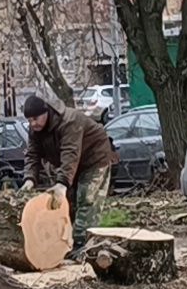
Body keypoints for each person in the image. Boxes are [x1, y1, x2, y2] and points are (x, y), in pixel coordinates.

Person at [21, 93, 118, 262]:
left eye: (35, 118)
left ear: (46, 112)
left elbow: (70, 153)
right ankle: (64, 245)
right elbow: (32, 154)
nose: (33, 123)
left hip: (94, 159)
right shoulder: (35, 129)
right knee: (66, 205)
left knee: (87, 200)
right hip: (70, 165)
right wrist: (30, 178)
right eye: (29, 120)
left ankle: (83, 247)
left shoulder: (69, 121)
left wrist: (62, 183)